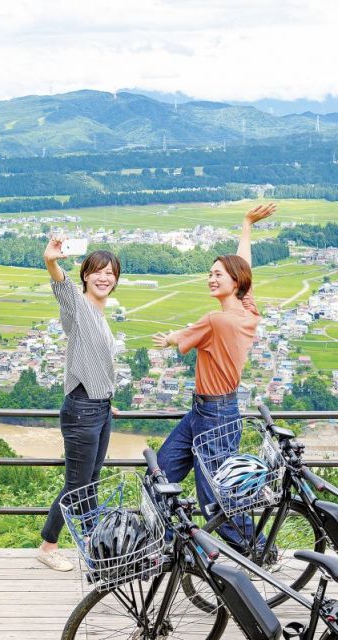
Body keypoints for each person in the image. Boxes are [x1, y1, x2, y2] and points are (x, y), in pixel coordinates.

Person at [152, 202, 277, 551]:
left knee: (215, 501)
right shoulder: (248, 313)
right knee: (160, 473)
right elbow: (244, 266)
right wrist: (246, 225)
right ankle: (167, 546)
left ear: (235, 282)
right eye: (210, 273)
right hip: (208, 411)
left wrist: (171, 338)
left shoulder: (215, 320)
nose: (211, 278)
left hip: (214, 416)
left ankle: (257, 551)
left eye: (218, 274)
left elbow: (181, 339)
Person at [37, 239, 121, 572]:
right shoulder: (79, 306)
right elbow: (63, 286)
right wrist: (51, 261)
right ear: (85, 275)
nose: (104, 277)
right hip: (82, 410)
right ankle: (48, 546)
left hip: (100, 407)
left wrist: (106, 398)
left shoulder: (100, 314)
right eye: (98, 271)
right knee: (76, 485)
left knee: (91, 480)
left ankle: (90, 540)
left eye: (111, 273)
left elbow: (98, 364)